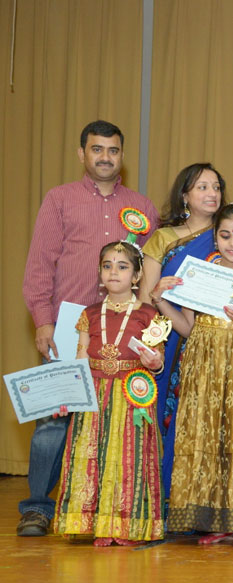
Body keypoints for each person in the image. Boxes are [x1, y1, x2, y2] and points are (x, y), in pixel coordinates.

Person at [19, 120, 159, 537]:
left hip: (125, 332)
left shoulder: (142, 207)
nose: (105, 157)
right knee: (54, 420)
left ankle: (106, 507)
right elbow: (40, 265)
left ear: (122, 156)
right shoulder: (59, 199)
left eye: (113, 150)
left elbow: (150, 271)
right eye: (97, 149)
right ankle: (37, 508)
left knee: (117, 420)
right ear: (82, 153)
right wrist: (43, 321)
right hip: (68, 328)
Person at [139, 162, 233, 501]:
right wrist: (159, 301)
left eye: (216, 186)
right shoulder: (164, 238)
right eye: (202, 186)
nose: (211, 193)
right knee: (180, 421)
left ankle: (228, 503)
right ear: (184, 194)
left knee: (231, 427)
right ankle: (172, 498)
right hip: (172, 343)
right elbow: (146, 298)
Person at [151, 203, 233, 546]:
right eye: (225, 235)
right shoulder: (200, 273)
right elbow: (188, 328)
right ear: (215, 237)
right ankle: (214, 522)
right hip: (203, 367)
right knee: (205, 438)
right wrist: (160, 299)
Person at [53, 241, 165, 545]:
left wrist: (154, 362)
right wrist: (69, 395)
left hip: (131, 397)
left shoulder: (148, 314)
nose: (113, 272)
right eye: (107, 266)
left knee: (128, 458)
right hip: (94, 393)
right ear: (99, 273)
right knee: (91, 454)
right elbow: (80, 358)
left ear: (137, 275)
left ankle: (126, 526)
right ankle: (94, 523)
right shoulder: (89, 314)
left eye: (122, 266)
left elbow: (157, 359)